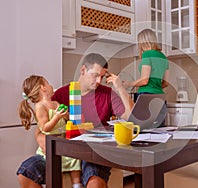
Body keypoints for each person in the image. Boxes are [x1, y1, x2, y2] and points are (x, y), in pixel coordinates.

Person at [17, 53, 134, 188]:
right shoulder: (60, 94)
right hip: (65, 151)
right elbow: (43, 126)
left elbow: (130, 117)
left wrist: (120, 88)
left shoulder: (107, 94)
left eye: (102, 77)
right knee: (25, 173)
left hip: (93, 152)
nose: (98, 81)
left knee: (94, 183)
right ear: (83, 70)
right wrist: (40, 138)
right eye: (95, 75)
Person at [17, 75, 82, 188]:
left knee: (74, 159)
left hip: (62, 141)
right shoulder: (40, 107)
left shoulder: (55, 103)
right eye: (48, 83)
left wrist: (66, 115)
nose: (51, 86)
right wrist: (56, 116)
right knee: (56, 163)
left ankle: (76, 184)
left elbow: (65, 119)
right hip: (51, 144)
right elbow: (45, 128)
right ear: (43, 87)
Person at [122, 28, 169, 96]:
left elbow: (144, 80)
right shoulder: (164, 57)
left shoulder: (147, 54)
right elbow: (165, 83)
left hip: (146, 94)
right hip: (160, 95)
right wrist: (155, 89)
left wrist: (129, 84)